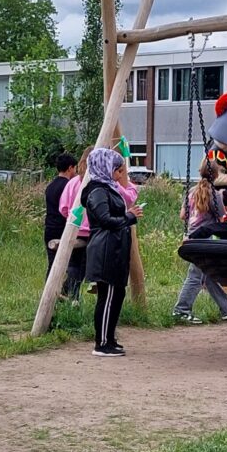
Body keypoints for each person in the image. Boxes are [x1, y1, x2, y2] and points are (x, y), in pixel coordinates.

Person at [80, 147, 137, 357]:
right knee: (108, 296)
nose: (120, 175)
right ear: (105, 168)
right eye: (117, 170)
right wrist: (129, 217)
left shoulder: (107, 189)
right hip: (106, 250)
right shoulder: (98, 191)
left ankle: (109, 338)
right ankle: (102, 343)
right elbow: (104, 220)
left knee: (117, 294)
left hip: (114, 249)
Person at [173, 170, 227, 324]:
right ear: (216, 176)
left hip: (191, 235)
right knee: (195, 276)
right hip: (204, 239)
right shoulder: (215, 194)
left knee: (207, 274)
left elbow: (182, 215)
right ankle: (181, 309)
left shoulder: (191, 191)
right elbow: (222, 217)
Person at [43, 153, 85, 299]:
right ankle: (66, 292)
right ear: (70, 168)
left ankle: (49, 294)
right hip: (63, 228)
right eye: (75, 168)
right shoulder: (68, 186)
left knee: (52, 264)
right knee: (71, 264)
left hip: (49, 228)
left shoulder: (51, 186)